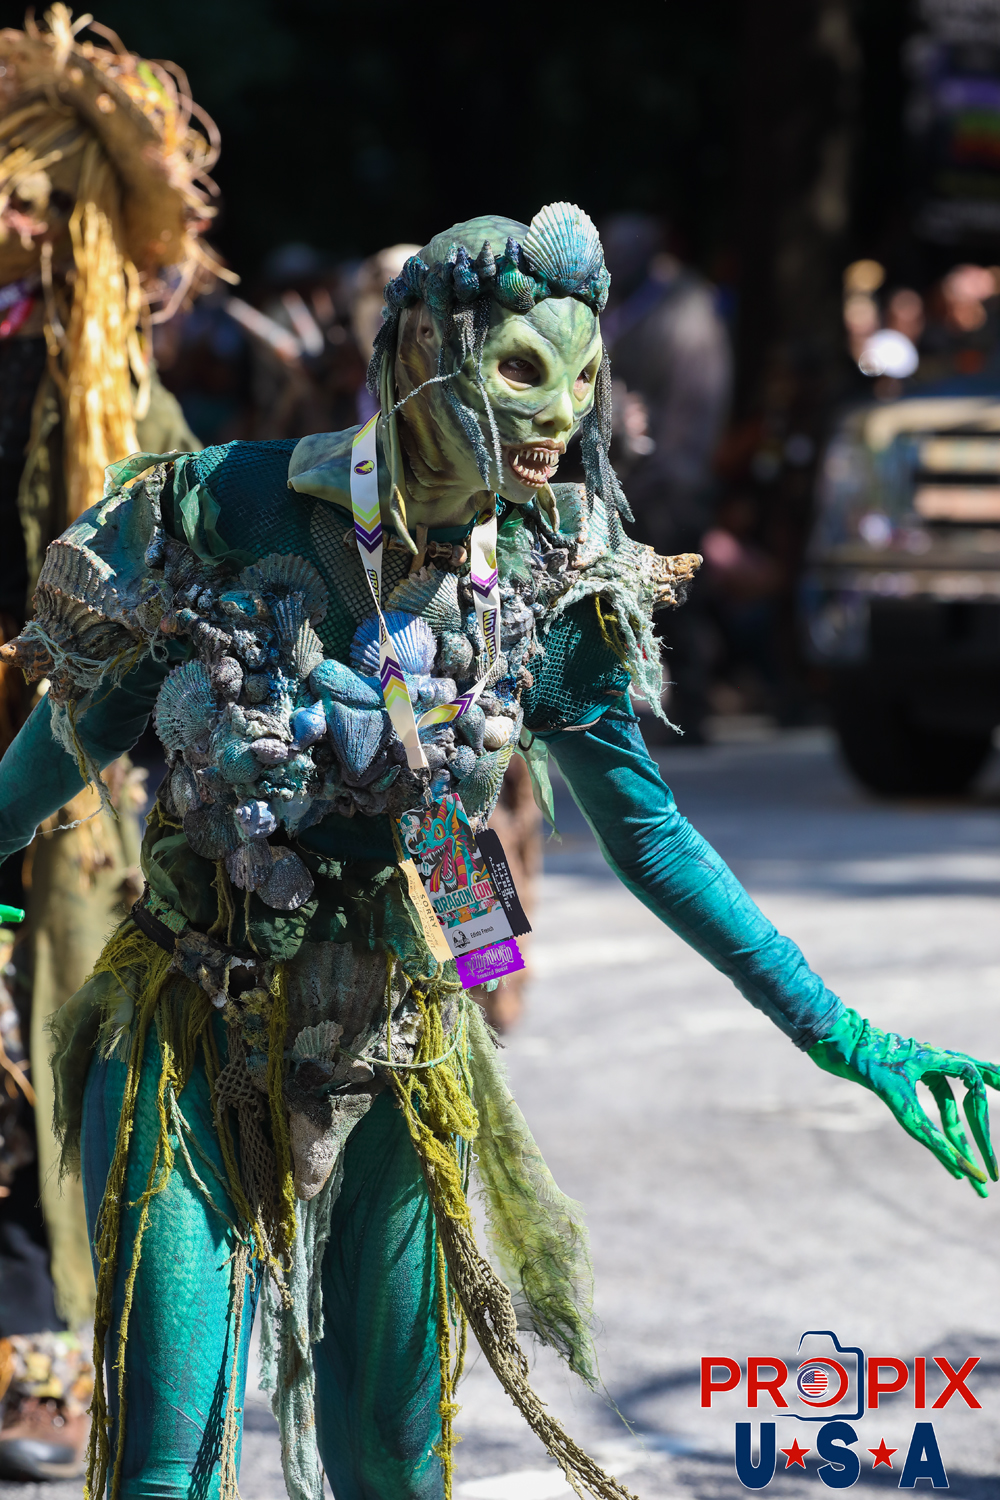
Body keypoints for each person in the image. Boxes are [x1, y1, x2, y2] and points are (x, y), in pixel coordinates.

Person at [0, 202, 996, 1500]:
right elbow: (47, 760)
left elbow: (649, 835)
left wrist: (846, 1035)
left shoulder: (549, 572)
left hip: (400, 1039)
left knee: (396, 1463)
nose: (559, 410)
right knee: (166, 1464)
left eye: (582, 377)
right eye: (522, 368)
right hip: (194, 1023)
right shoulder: (220, 512)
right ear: (420, 349)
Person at [0, 5, 220, 1478]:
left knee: (53, 1075)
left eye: (29, 205)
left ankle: (51, 1362)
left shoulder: (132, 412)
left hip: (68, 809)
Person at [600, 212, 732, 740]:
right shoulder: (645, 304)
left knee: (676, 595)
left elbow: (691, 406)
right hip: (651, 470)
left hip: (671, 474)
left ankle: (693, 707)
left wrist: (668, 468)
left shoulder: (681, 309)